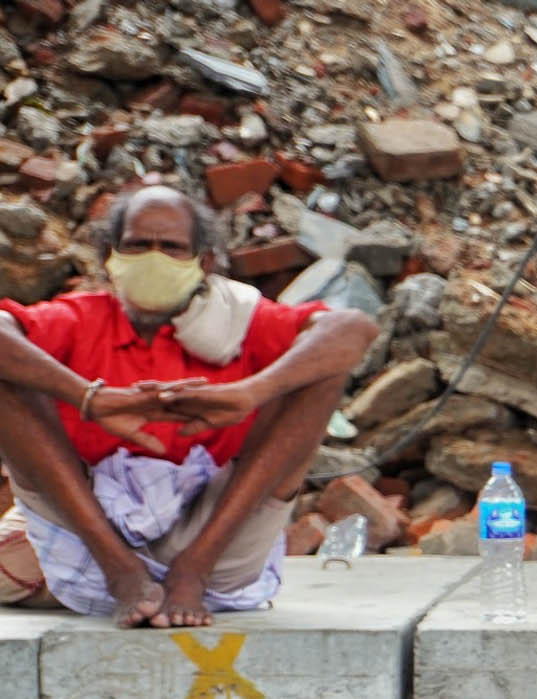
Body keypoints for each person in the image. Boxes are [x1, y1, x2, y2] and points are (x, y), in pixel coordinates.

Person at [0, 185, 377, 628]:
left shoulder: (240, 318)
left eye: (172, 247)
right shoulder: (82, 318)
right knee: (11, 375)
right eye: (138, 245)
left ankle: (192, 571)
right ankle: (122, 572)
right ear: (108, 255)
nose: (154, 258)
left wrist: (251, 392)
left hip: (217, 530)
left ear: (205, 260)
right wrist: (88, 397)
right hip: (88, 525)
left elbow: (353, 328)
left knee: (321, 369)